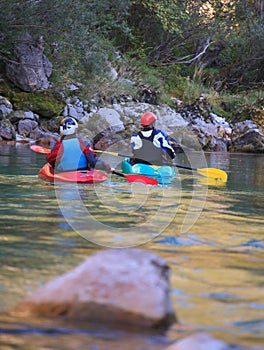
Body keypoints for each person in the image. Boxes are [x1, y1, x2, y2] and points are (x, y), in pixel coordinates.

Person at [47, 117, 111, 173]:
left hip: (64, 173)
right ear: (75, 130)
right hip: (83, 172)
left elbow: (50, 160)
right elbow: (93, 161)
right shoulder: (83, 143)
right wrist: (106, 167)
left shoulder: (59, 146)